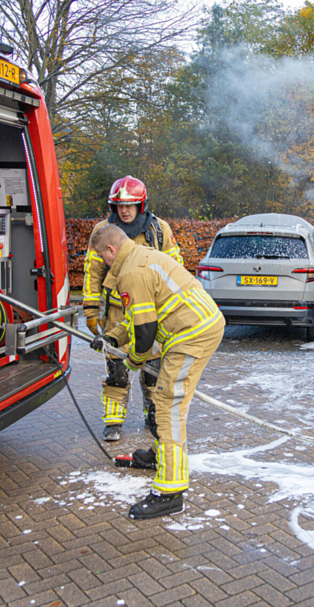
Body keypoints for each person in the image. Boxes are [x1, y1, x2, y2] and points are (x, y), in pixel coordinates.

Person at [88, 223, 225, 519]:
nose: (103, 262)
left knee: (167, 405)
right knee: (166, 400)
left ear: (112, 249)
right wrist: (112, 337)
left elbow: (146, 332)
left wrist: (132, 361)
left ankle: (170, 492)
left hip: (192, 334)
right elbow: (141, 314)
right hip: (196, 326)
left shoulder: (131, 273)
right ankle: (159, 453)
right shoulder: (139, 256)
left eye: (102, 255)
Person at [82, 175, 184, 441]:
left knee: (153, 369)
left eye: (130, 205)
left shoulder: (158, 230)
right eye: (119, 205)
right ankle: (114, 423)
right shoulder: (102, 231)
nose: (124, 210)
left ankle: (153, 417)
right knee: (117, 370)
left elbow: (175, 268)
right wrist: (91, 309)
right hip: (117, 312)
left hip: (152, 312)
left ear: (142, 205)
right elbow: (92, 271)